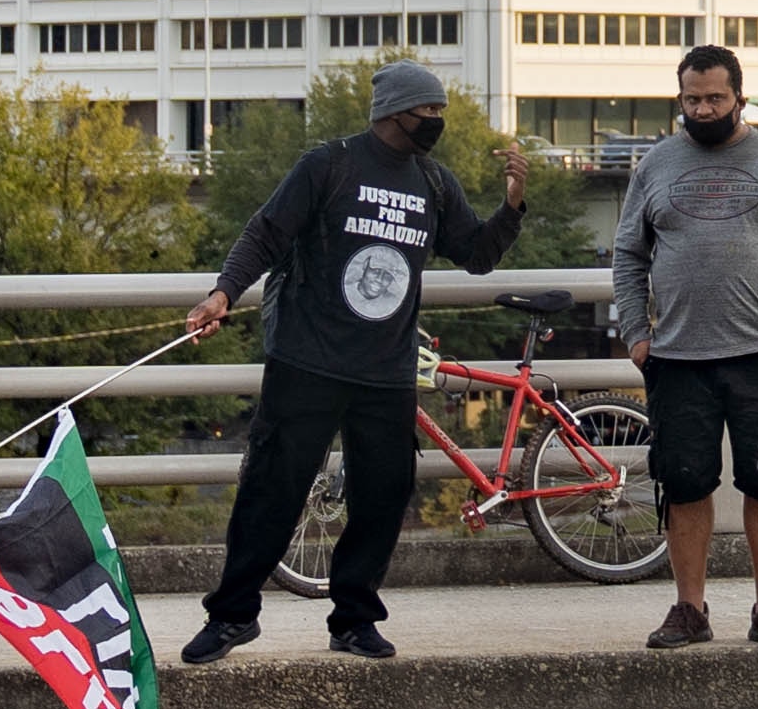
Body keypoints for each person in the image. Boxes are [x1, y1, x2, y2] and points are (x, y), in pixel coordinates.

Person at [177, 63, 525, 663]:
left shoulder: (435, 184)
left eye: (441, 112)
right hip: (306, 362)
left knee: (383, 496)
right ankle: (232, 615)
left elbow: (476, 256)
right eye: (430, 112)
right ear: (394, 112)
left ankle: (355, 618)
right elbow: (264, 234)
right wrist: (222, 294)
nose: (437, 122)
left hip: (386, 371)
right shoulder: (329, 165)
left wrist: (513, 205)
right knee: (271, 492)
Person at [613, 45, 758, 655]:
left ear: (739, 96)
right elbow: (628, 255)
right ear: (678, 98)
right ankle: (690, 609)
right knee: (683, 485)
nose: (702, 108)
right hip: (677, 357)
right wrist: (637, 334)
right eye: (691, 98)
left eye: (714, 97)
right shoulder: (654, 165)